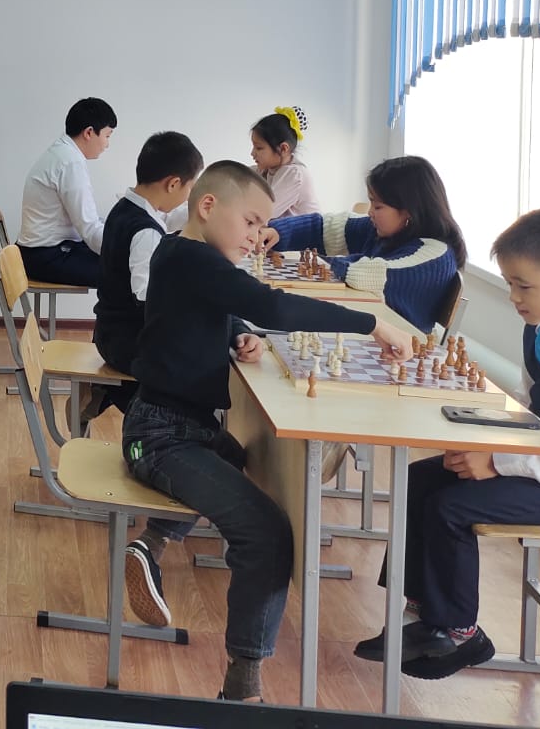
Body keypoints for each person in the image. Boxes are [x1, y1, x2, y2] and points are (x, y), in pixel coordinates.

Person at [120, 161, 413, 703]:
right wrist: (372, 324)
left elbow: (204, 311)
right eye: (252, 222)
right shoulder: (195, 259)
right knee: (268, 533)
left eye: (263, 226)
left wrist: (237, 332)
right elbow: (271, 303)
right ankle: (243, 690)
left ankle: (151, 544)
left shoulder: (181, 254)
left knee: (236, 456)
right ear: (208, 206)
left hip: (180, 426)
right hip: (159, 437)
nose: (257, 237)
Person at [355, 208, 540, 679]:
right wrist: (474, 441)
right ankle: (421, 614)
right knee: (420, 478)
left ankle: (460, 632)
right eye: (509, 284)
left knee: (452, 507)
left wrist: (498, 463)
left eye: (524, 286)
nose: (513, 297)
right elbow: (529, 406)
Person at [268, 155, 467, 331]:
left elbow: (369, 274)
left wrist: (312, 261)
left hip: (402, 347)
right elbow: (325, 227)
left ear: (408, 211)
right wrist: (276, 231)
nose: (370, 212)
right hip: (375, 331)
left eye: (378, 206)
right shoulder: (389, 230)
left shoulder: (436, 256)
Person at [91, 131, 203, 414]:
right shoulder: (145, 232)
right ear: (173, 184)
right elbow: (146, 300)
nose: (188, 197)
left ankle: (112, 393)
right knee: (199, 358)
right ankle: (135, 406)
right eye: (190, 188)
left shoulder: (124, 207)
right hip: (127, 344)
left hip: (109, 332)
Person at [16, 98, 116, 289]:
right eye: (107, 136)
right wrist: (127, 249)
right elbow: (89, 228)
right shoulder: (70, 162)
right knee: (124, 272)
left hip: (38, 251)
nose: (107, 144)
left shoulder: (62, 153)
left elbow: (88, 223)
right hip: (45, 257)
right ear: (89, 132)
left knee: (120, 262)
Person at [250, 106, 320, 218]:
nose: (252, 153)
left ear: (283, 149)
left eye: (259, 148)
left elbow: (265, 213)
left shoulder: (294, 174)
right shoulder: (267, 169)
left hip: (306, 229)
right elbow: (239, 175)